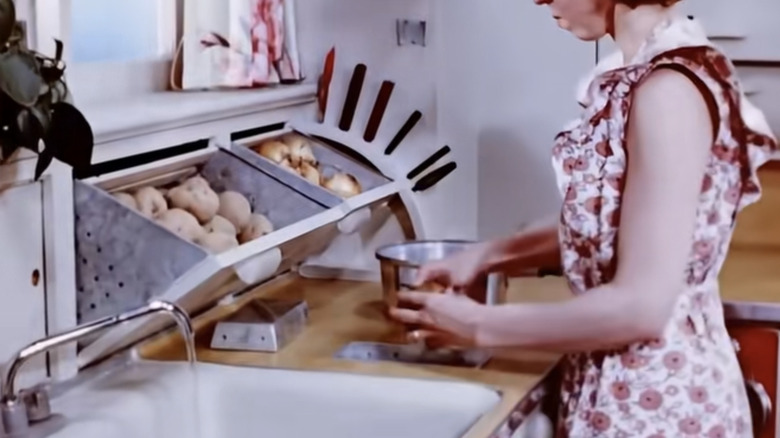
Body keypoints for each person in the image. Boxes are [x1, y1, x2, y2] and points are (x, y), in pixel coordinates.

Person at [389, 0, 779, 436]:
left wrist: (478, 325)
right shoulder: (647, 75)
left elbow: (640, 308)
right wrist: (489, 256)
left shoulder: (669, 93)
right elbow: (622, 224)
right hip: (622, 390)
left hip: (656, 409)